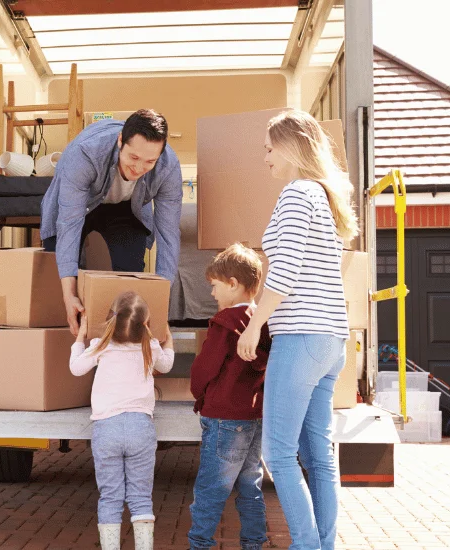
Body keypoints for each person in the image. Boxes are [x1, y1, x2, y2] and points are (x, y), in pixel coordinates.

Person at [237, 110, 358, 550]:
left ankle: (308, 545)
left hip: (302, 338)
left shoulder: (295, 194)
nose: (265, 157)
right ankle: (322, 545)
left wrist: (253, 326)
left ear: (290, 147)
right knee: (318, 457)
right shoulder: (322, 197)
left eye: (269, 148)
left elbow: (283, 273)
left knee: (279, 453)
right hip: (331, 340)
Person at [40, 109, 184, 335]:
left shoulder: (168, 167)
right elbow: (69, 223)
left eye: (149, 162)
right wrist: (69, 296)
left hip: (127, 209)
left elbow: (168, 234)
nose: (138, 168)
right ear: (120, 141)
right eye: (134, 158)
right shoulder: (85, 154)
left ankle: (121, 348)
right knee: (58, 281)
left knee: (130, 275)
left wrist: (160, 304)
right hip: (80, 205)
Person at [69, 291, 175, 550]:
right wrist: (168, 338)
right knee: (140, 498)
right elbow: (169, 364)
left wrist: (80, 338)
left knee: (110, 498)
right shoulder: (149, 346)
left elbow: (76, 368)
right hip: (141, 428)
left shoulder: (100, 345)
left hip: (107, 429)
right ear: (147, 325)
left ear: (110, 320)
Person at [187, 243, 272, 550]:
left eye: (215, 286)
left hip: (224, 418)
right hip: (253, 416)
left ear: (233, 284)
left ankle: (200, 544)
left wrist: (200, 396)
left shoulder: (224, 324)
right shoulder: (261, 323)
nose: (212, 294)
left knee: (211, 489)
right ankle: (253, 544)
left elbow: (204, 369)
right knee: (251, 486)